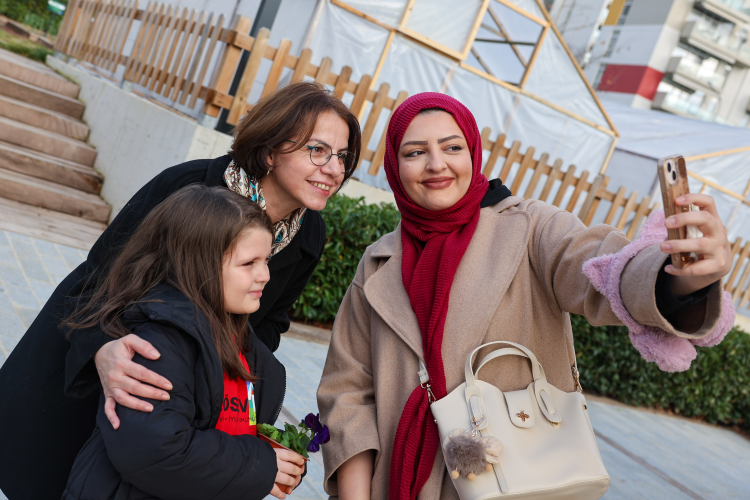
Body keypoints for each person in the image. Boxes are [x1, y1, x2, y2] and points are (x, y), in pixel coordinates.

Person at [316, 93, 734, 499]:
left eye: (452, 147)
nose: (436, 163)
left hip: (515, 482)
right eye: (414, 152)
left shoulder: (531, 228)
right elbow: (348, 390)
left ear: (473, 152)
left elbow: (598, 266)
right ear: (394, 166)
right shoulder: (379, 263)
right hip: (395, 484)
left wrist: (679, 278)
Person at [0, 82, 360, 500]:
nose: (334, 169)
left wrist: (245, 424)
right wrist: (101, 349)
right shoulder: (189, 186)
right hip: (94, 378)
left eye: (342, 156)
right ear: (269, 151)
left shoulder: (308, 234)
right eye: (317, 150)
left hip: (175, 412)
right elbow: (99, 278)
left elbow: (266, 327)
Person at [62, 185, 304, 500]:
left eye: (266, 260)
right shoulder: (157, 344)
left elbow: (230, 423)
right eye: (248, 264)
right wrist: (259, 464)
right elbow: (156, 452)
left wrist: (278, 457)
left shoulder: (242, 342)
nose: (265, 276)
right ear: (200, 265)